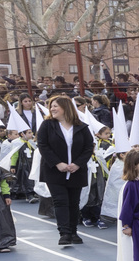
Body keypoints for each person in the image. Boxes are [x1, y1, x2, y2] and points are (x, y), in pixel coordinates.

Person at [36, 96, 95, 246]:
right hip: (54, 171)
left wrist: (77, 164)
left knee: (74, 203)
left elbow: (89, 146)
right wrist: (57, 163)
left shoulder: (81, 126)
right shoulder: (47, 125)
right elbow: (42, 145)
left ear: (66, 107)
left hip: (76, 171)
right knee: (60, 201)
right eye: (51, 106)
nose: (52, 109)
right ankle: (64, 233)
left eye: (55, 106)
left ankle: (73, 232)